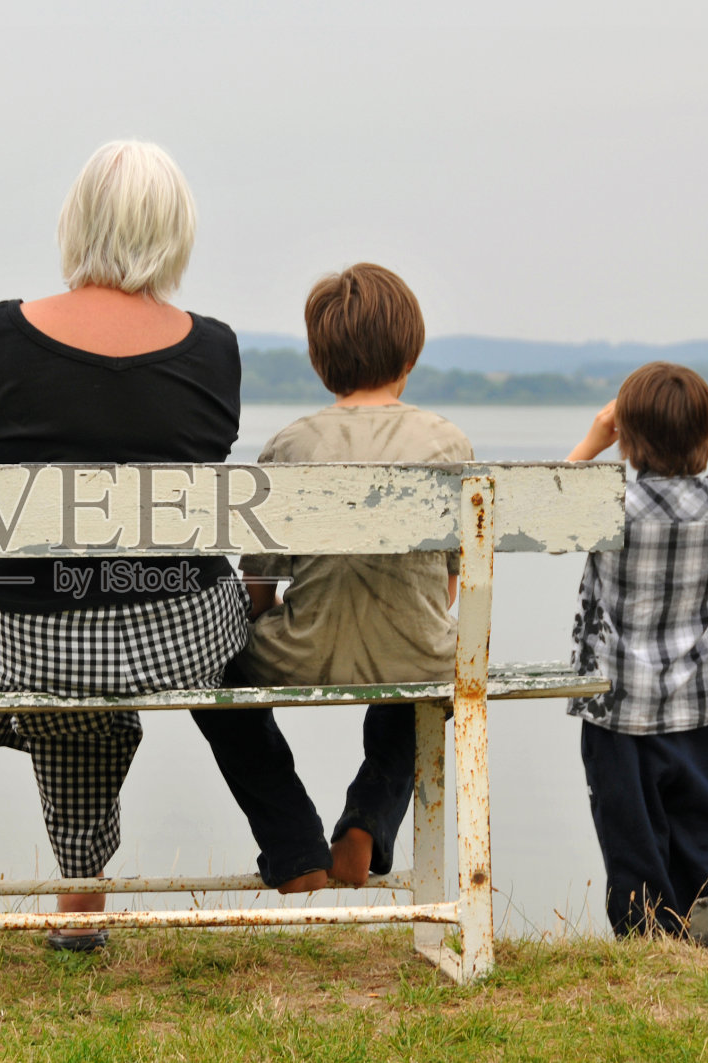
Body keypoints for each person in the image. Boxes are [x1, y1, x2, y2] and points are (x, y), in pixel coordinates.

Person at [0, 140, 250, 950]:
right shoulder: (216, 347)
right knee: (135, 620)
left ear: (76, 223)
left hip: (28, 639)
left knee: (44, 625)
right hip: (174, 643)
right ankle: (77, 903)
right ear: (175, 232)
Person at [192, 263, 474, 892]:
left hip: (299, 653)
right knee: (425, 670)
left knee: (210, 677)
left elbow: (259, 588)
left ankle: (295, 851)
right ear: (412, 352)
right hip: (418, 653)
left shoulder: (290, 446)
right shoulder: (447, 443)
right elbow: (449, 588)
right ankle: (366, 823)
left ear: (321, 362)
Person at [564, 362, 708, 936]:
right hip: (698, 710)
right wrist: (704, 437)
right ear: (703, 439)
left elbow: (539, 500)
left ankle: (648, 946)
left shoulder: (607, 506)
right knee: (705, 845)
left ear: (628, 441)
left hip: (617, 716)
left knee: (634, 855)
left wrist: (595, 436)